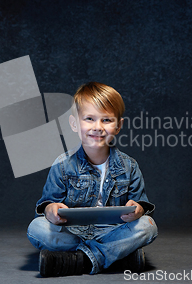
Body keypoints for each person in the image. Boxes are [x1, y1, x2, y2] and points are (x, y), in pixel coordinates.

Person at [27, 82, 158, 277]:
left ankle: (80, 261)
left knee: (148, 226)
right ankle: (115, 256)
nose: (97, 127)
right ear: (74, 124)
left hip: (112, 232)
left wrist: (137, 209)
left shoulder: (129, 166)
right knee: (37, 228)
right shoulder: (62, 164)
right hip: (73, 232)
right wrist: (51, 210)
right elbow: (47, 204)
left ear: (118, 126)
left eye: (106, 120)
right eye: (89, 119)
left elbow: (140, 204)